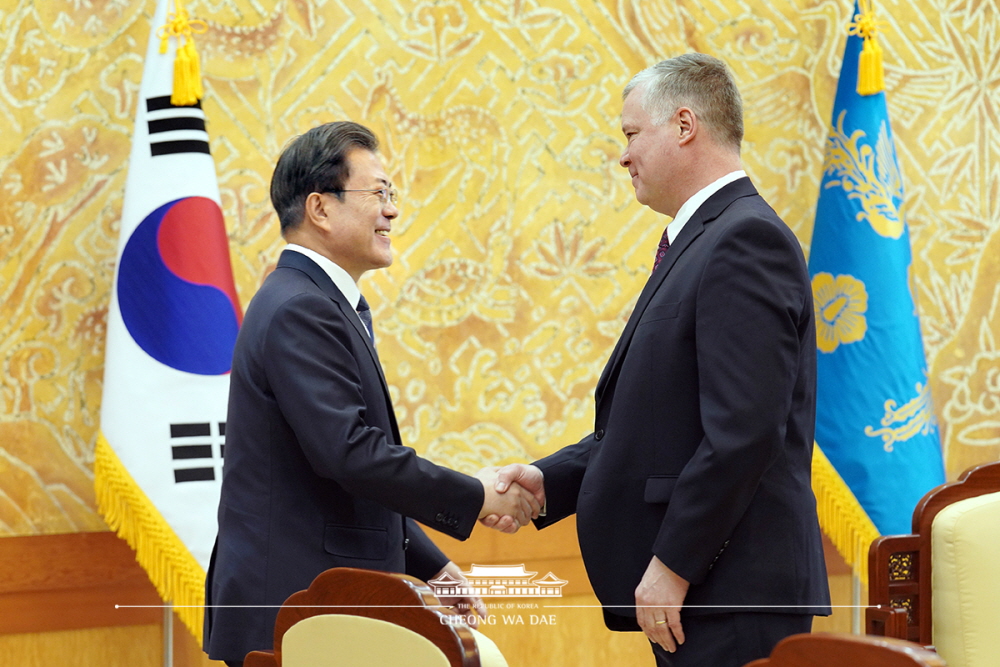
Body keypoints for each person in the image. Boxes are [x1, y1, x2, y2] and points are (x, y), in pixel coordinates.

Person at [486, 53, 832, 666]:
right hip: (703, 596)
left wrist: (674, 563)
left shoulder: (745, 240)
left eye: (630, 133)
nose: (623, 155)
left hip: (729, 593)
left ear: (683, 124)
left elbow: (743, 433)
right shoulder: (698, 242)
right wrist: (552, 479)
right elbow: (658, 423)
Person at [203, 121, 540, 666]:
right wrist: (475, 495)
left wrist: (428, 563)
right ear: (320, 208)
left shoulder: (317, 301)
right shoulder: (301, 308)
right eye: (378, 193)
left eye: (392, 195)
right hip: (296, 604)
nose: (392, 211)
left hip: (323, 600)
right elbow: (350, 454)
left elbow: (342, 472)